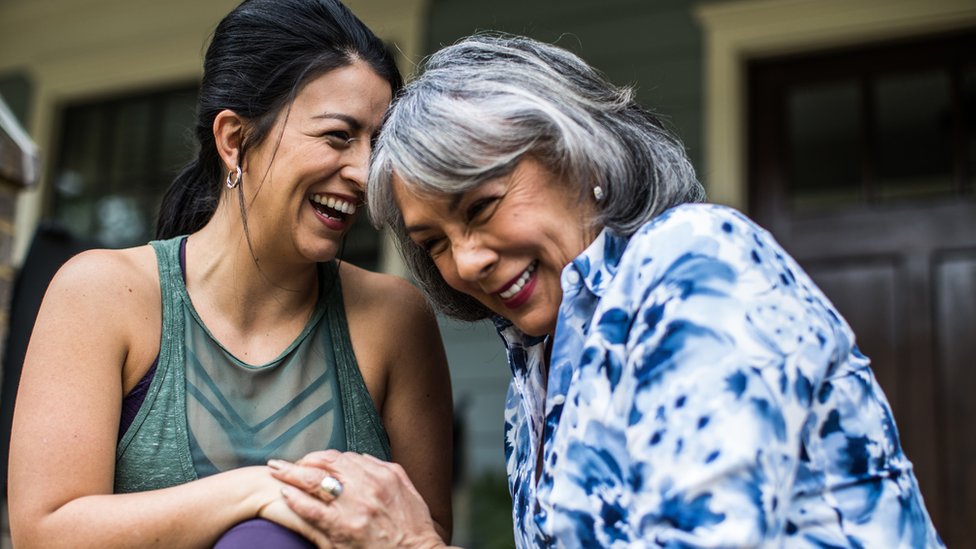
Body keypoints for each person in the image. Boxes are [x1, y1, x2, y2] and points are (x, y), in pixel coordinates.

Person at [266, 33, 944, 548]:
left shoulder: (693, 265)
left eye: (481, 205)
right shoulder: (538, 367)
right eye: (434, 242)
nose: (465, 261)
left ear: (580, 152)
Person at [6, 0, 453, 547]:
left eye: (376, 146)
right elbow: (45, 531)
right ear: (234, 139)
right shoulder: (103, 294)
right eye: (338, 136)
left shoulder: (395, 319)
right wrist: (257, 491)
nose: (365, 173)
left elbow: (423, 533)